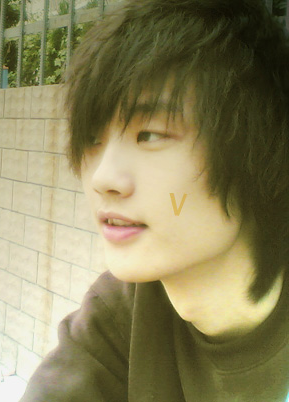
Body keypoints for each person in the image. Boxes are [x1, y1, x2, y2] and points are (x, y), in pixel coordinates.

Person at [19, 0, 289, 400]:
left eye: (150, 135)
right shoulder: (118, 315)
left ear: (257, 150)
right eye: (92, 139)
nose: (103, 179)